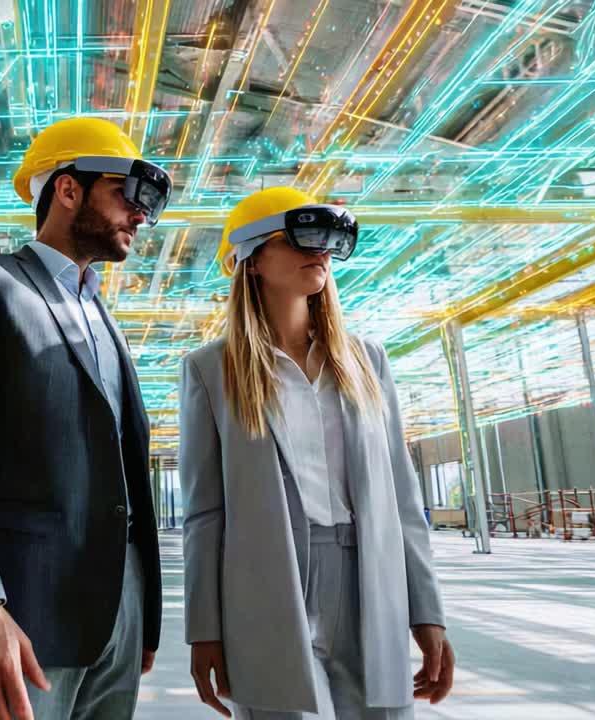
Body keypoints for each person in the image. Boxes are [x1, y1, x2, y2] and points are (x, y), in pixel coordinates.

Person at [0, 117, 171, 720]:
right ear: (68, 189)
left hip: (117, 613)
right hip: (22, 606)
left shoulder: (103, 314)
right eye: (128, 195)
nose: (140, 217)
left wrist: (139, 612)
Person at [179, 187, 456, 719]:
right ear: (252, 259)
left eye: (331, 240)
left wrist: (428, 612)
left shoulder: (367, 360)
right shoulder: (210, 370)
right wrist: (204, 631)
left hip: (368, 574)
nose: (322, 251)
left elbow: (403, 497)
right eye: (302, 237)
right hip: (266, 582)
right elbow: (204, 513)